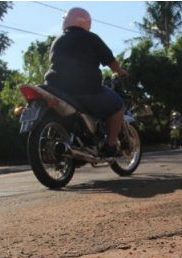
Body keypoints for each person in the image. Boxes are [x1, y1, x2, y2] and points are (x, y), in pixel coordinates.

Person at [44, 7, 128, 157]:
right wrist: (120, 72)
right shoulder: (90, 38)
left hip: (57, 89)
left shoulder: (56, 41)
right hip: (86, 89)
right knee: (118, 106)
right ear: (85, 22)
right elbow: (109, 60)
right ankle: (110, 146)